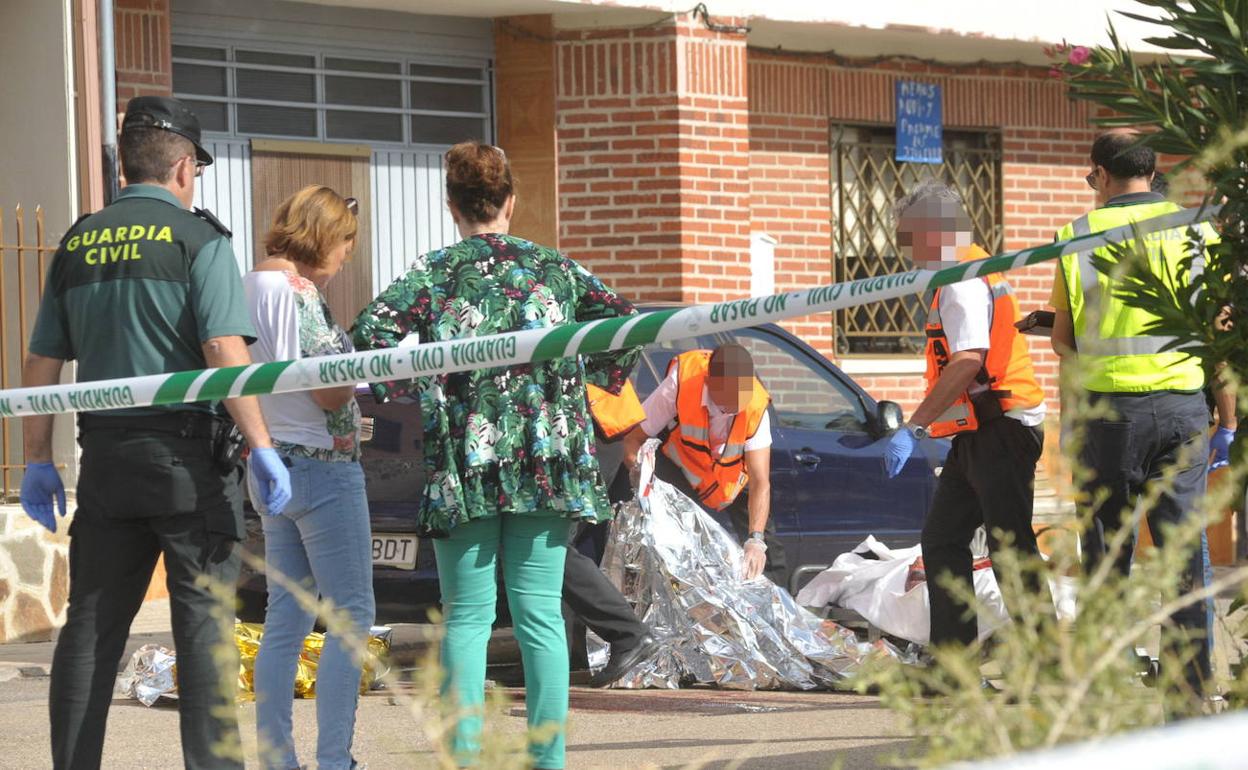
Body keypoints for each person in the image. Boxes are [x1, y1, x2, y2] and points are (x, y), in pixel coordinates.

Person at [19, 96, 291, 769]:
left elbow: (40, 363)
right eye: (194, 168)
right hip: (190, 469)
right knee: (203, 634)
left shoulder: (78, 242)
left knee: (89, 630)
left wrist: (35, 459)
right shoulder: (198, 239)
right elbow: (225, 347)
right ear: (179, 167)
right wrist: (262, 447)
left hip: (106, 464)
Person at [351, 141, 640, 770]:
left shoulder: (435, 272)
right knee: (538, 614)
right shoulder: (557, 269)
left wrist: (419, 393)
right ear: (511, 201)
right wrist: (575, 382)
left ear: (451, 205)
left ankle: (464, 757)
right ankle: (547, 761)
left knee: (467, 618)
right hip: (546, 460)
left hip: (464, 463)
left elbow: (367, 339)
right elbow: (625, 323)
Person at [1050, 131, 1229, 705]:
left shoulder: (1075, 235)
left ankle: (1110, 678)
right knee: (1181, 553)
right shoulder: (1195, 229)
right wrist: (1225, 417)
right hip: (1182, 410)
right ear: (1152, 175)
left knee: (1106, 553)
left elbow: (1064, 340)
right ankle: (1191, 686)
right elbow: (1218, 327)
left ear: (1100, 174)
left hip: (1110, 418)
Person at [881, 180, 1048, 650]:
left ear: (935, 232)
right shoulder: (966, 270)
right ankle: (954, 666)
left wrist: (912, 426)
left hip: (1004, 427)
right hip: (980, 431)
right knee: (942, 539)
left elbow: (968, 360)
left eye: (909, 237)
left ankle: (1052, 665)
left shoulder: (964, 277)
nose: (906, 250)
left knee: (1010, 549)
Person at [244, 186, 374, 770]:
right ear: (324, 236)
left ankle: (277, 758)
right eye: (346, 242)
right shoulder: (301, 294)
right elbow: (327, 390)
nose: (346, 256)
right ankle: (334, 760)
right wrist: (359, 370)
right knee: (351, 615)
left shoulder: (250, 285)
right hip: (323, 465)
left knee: (283, 618)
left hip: (271, 459)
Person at [623, 343, 783, 585]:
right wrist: (644, 486)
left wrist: (756, 540)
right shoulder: (682, 383)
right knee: (674, 543)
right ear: (710, 383)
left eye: (742, 397)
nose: (736, 406)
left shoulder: (755, 405)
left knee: (765, 551)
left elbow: (761, 481)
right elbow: (633, 439)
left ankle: (778, 613)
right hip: (682, 468)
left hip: (731, 477)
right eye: (729, 399)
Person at [565, 382, 657, 687]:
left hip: (591, 423)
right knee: (555, 548)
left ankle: (628, 633)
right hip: (579, 422)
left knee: (554, 547)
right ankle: (549, 658)